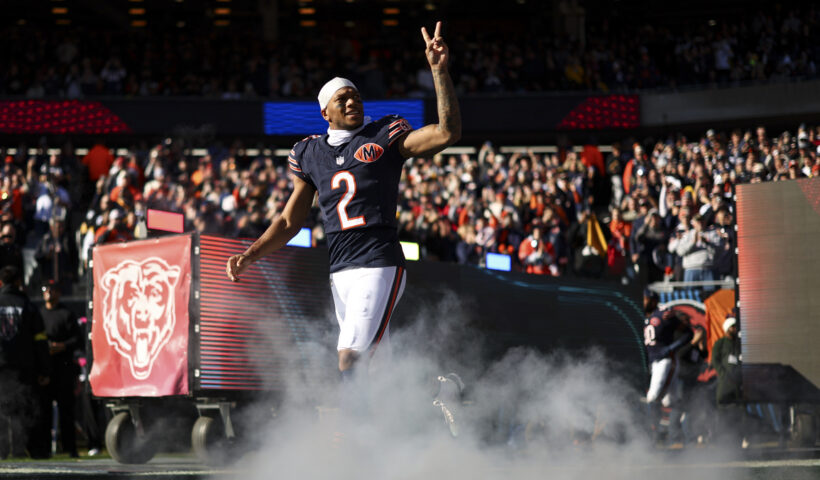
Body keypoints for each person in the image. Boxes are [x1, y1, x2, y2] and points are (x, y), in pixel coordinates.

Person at [226, 22, 460, 414]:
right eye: (342, 98)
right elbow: (289, 221)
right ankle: (440, 396)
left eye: (355, 96)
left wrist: (439, 72)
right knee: (377, 373)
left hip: (379, 261)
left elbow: (446, 133)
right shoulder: (309, 153)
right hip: (340, 271)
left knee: (349, 358)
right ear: (325, 112)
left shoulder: (384, 134)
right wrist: (251, 255)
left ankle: (347, 438)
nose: (352, 102)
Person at [0, 266, 51, 458]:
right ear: (19, 282)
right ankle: (19, 449)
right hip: (23, 366)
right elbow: (40, 341)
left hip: (1, 365)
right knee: (21, 407)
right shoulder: (28, 306)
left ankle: (2, 450)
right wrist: (45, 370)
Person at [642, 289, 693, 444]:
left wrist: (671, 348)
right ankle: (678, 435)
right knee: (671, 401)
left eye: (645, 299)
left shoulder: (663, 314)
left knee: (653, 397)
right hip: (654, 361)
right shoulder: (644, 316)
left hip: (665, 360)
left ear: (652, 300)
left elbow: (688, 333)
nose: (643, 301)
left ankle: (653, 435)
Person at [39, 280, 81, 458]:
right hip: (45, 369)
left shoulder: (66, 314)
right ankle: (44, 449)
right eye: (46, 289)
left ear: (59, 293)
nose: (49, 292)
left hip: (63, 369)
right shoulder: (39, 314)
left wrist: (62, 346)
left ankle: (71, 448)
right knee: (44, 412)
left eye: (53, 290)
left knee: (67, 411)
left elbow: (77, 339)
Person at [711, 315, 744, 445]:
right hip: (725, 384)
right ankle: (721, 440)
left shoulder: (739, 344)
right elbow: (715, 360)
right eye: (733, 327)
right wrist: (723, 373)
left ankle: (737, 440)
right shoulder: (720, 343)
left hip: (738, 384)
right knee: (723, 412)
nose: (735, 329)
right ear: (727, 328)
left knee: (738, 412)